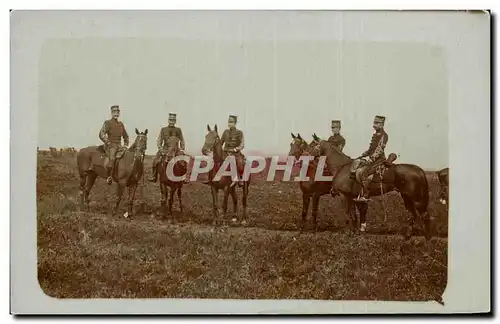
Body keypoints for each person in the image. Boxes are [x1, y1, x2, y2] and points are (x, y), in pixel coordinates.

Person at [350, 115, 389, 202]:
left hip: (379, 159)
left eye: (377, 123)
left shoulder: (384, 135)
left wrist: (371, 159)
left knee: (364, 172)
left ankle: (367, 195)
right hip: (372, 158)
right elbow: (371, 148)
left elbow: (379, 150)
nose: (374, 125)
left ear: (382, 124)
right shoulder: (375, 135)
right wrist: (363, 155)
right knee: (356, 165)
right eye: (374, 123)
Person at [148, 113, 188, 183]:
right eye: (170, 120)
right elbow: (159, 140)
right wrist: (160, 149)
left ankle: (183, 177)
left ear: (175, 121)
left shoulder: (178, 130)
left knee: (183, 161)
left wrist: (182, 148)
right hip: (165, 149)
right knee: (155, 160)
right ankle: (154, 176)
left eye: (173, 120)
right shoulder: (163, 129)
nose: (171, 121)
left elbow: (182, 140)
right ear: (168, 120)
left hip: (176, 150)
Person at [99, 105, 129, 185]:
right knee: (112, 159)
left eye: (117, 112)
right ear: (112, 113)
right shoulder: (107, 123)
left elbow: (126, 136)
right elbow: (101, 134)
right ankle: (109, 177)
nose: (116, 114)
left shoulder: (121, 124)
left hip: (119, 146)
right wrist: (107, 142)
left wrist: (125, 145)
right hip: (111, 145)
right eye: (114, 112)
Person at [221, 114, 245, 187]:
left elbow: (242, 144)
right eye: (229, 122)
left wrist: (236, 149)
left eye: (231, 122)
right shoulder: (225, 132)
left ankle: (240, 178)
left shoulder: (239, 133)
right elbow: (221, 143)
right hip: (225, 152)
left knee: (240, 164)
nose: (229, 123)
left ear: (235, 123)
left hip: (235, 153)